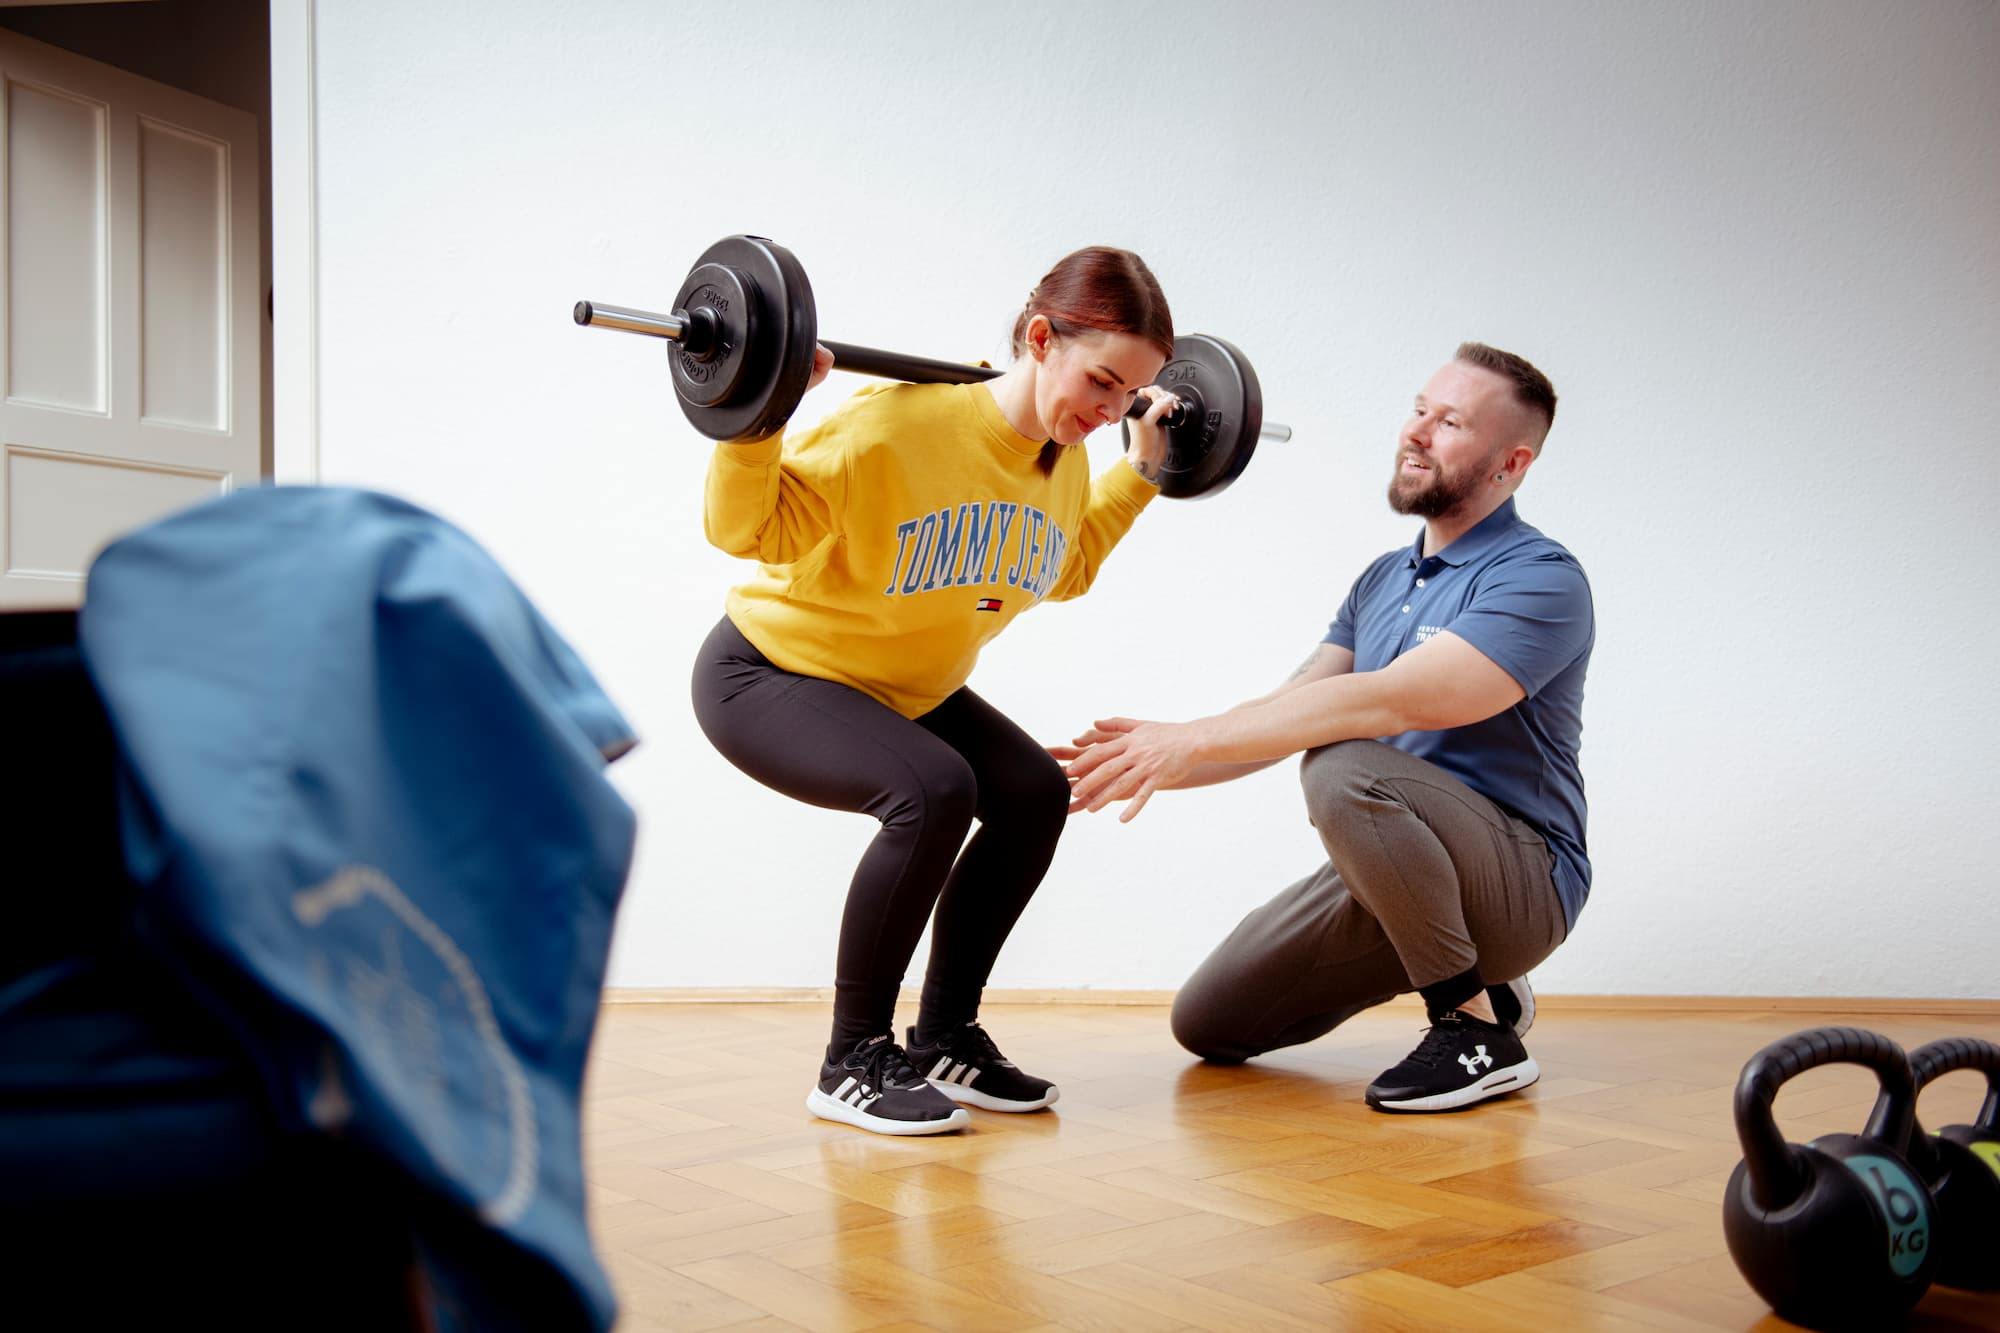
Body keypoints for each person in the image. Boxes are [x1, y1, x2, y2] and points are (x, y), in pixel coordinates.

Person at [691, 247, 1179, 1136]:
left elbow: (1060, 568)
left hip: (905, 687)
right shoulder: (891, 428)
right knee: (932, 787)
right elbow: (744, 528)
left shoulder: (1061, 456)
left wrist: (1139, 471)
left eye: (1128, 397)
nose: (1111, 413)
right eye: (1103, 383)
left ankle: (945, 1035)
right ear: (1041, 338)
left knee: (1033, 792)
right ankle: (852, 1060)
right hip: (771, 671)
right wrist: (758, 415)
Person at [1061, 343, 1592, 1114]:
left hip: (1520, 878)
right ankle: (1483, 981)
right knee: (1208, 1022)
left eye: (1450, 422)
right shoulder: (1382, 579)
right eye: (1418, 408)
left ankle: (1474, 1028)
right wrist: (1144, 759)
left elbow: (1395, 701)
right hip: (1392, 865)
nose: (1416, 432)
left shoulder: (1540, 576)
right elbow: (1285, 712)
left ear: (1511, 463)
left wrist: (1189, 738)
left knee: (1342, 760)